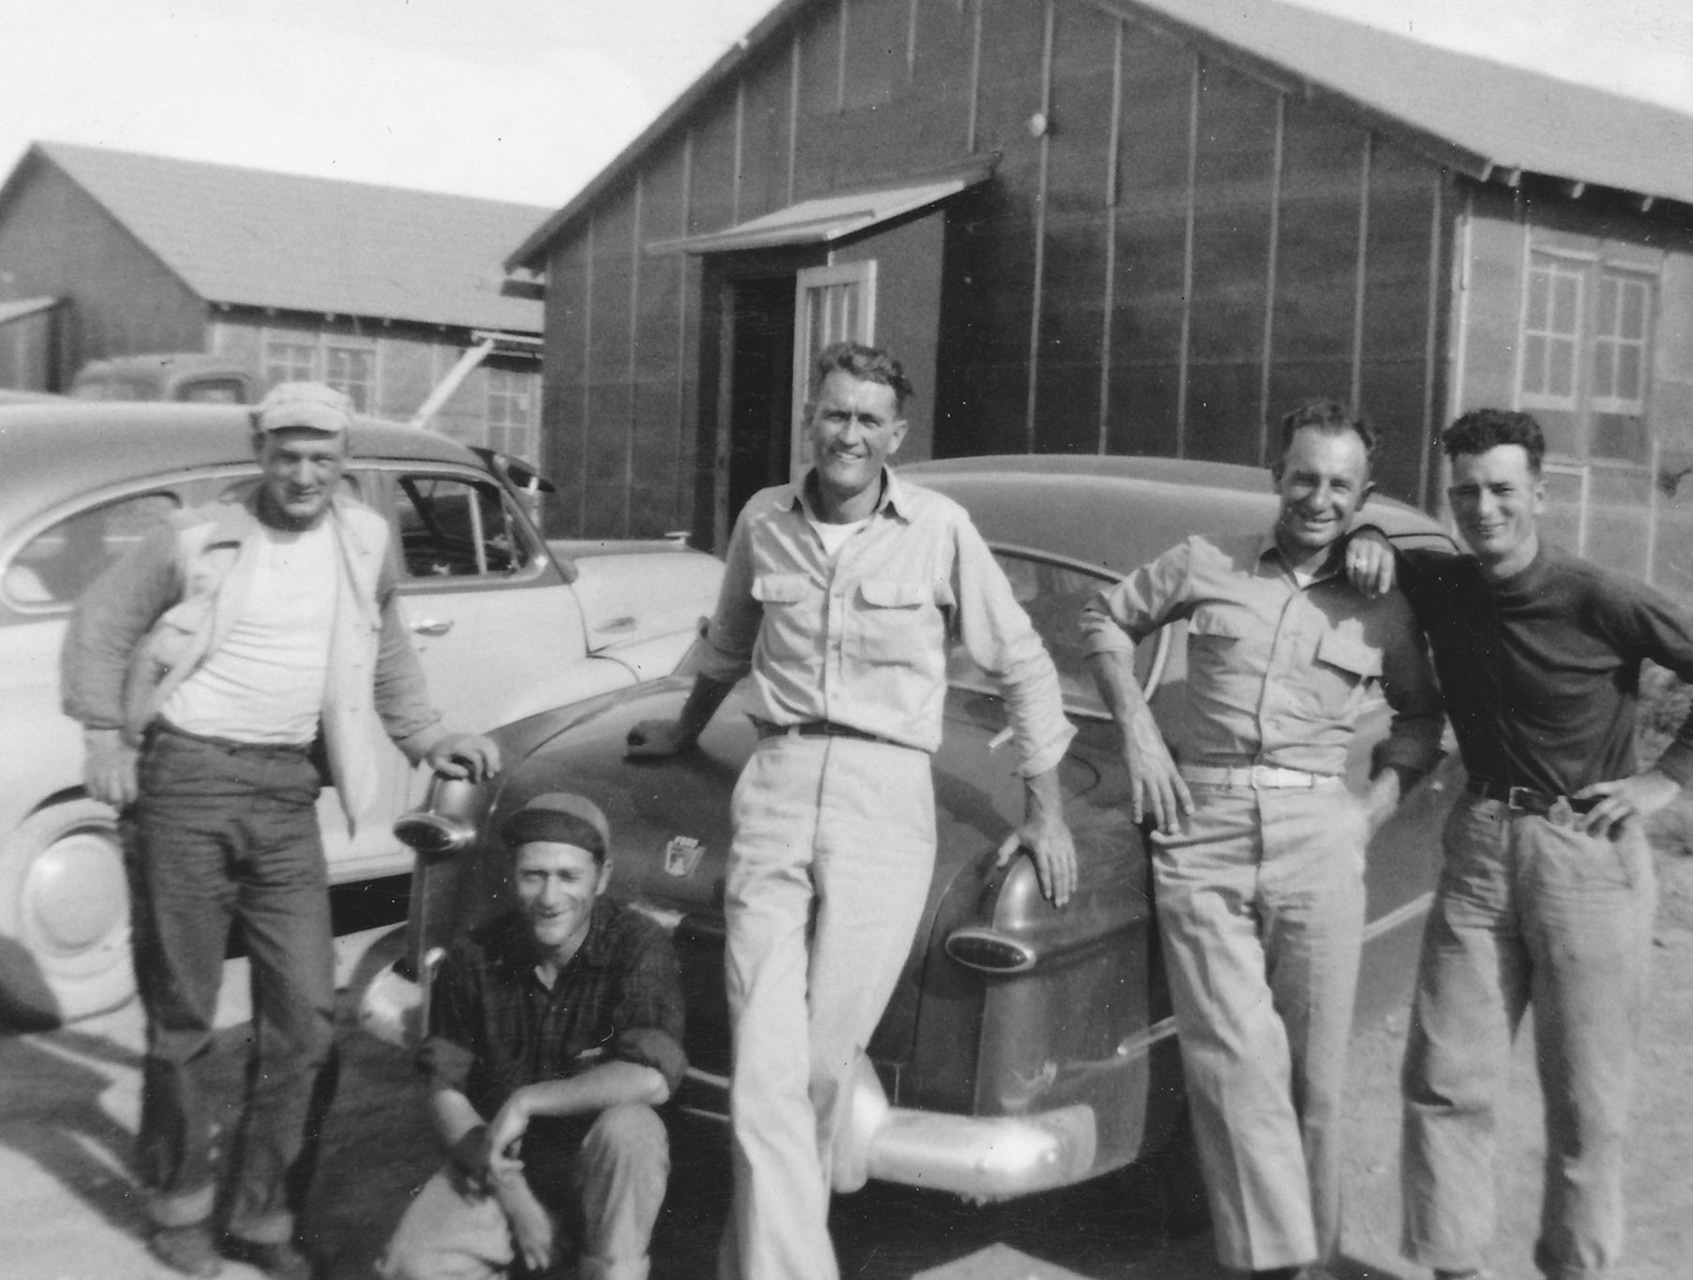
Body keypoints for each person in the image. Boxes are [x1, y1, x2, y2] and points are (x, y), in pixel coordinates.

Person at [624, 340, 1077, 1280]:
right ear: (809, 420)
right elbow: (726, 642)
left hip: (885, 798)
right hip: (779, 780)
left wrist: (1047, 808)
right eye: (835, 414)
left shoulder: (941, 528)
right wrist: (683, 728)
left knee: (825, 1062)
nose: (849, 434)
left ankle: (751, 1245)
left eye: (870, 420)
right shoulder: (765, 519)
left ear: (895, 436)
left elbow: (1024, 663)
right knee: (764, 1064)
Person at [60, 381, 500, 1280]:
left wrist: (429, 736)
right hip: (183, 780)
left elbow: (387, 655)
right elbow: (99, 626)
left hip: (285, 792)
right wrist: (105, 732)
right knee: (183, 1013)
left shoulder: (364, 542)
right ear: (259, 452)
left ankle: (263, 1215)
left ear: (344, 465)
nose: (303, 474)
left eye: (321, 459)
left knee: (304, 1017)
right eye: (285, 455)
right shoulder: (197, 538)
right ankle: (178, 1204)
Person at [1342, 409, 1693, 1280]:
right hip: (1481, 844)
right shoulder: (1444, 580)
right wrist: (1372, 534)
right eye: (1465, 492)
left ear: (1539, 491)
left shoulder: (1594, 593)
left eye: (1502, 490)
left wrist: (1665, 779)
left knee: (1586, 1103)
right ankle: (1456, 1268)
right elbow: (1369, 535)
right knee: (1446, 1078)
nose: (1483, 509)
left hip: (1585, 853)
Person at [1080, 399, 1444, 1279]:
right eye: (1304, 476)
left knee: (1315, 1082)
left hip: (1319, 836)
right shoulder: (1206, 562)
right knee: (1235, 1068)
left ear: (1365, 495)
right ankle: (1277, 1269)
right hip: (1201, 834)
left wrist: (1369, 813)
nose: (1318, 498)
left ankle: (1311, 1262)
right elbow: (1101, 621)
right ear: (1274, 474)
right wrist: (1134, 728)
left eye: (1339, 485)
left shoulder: (1383, 604)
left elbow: (1421, 718)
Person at [379, 792, 686, 1280]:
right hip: (502, 1160)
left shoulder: (637, 943)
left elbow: (652, 1077)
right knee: (412, 1266)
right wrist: (516, 1200)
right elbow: (445, 1090)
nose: (549, 898)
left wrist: (527, 1101)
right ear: (511, 875)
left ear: (602, 878)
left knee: (632, 1131)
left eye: (568, 876)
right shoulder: (473, 955)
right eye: (533, 875)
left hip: (595, 1160)